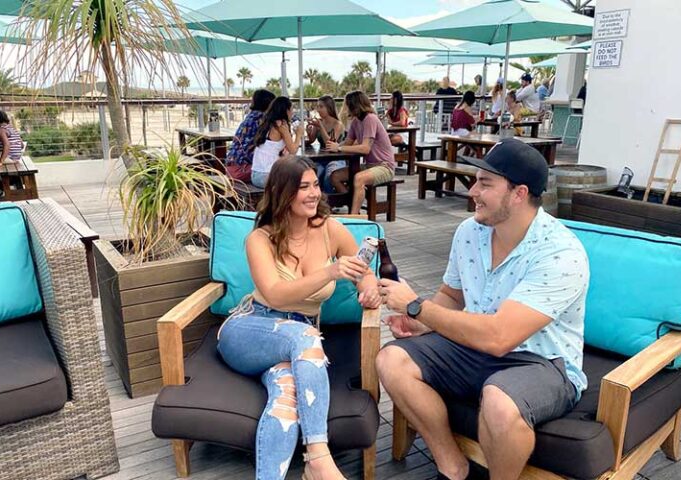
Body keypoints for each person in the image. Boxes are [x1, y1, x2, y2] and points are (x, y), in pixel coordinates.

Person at [375, 139, 589, 480]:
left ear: (519, 194)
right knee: (391, 360)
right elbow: (452, 295)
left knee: (500, 401)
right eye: (475, 180)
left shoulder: (560, 254)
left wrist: (418, 308)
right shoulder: (470, 232)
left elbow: (500, 337)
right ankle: (452, 466)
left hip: (543, 362)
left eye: (485, 184)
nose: (473, 191)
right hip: (472, 350)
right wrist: (417, 324)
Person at [217, 155, 381, 480]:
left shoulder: (330, 230)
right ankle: (319, 458)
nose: (313, 193)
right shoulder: (259, 239)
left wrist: (369, 287)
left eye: (315, 185)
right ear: (282, 192)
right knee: (305, 337)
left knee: (287, 395)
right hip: (251, 329)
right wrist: (329, 272)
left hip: (298, 341)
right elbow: (276, 294)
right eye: (302, 187)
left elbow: (362, 271)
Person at [326, 91, 396, 215]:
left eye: (347, 104)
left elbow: (365, 148)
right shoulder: (356, 122)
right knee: (335, 176)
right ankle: (354, 206)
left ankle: (353, 217)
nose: (345, 107)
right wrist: (333, 146)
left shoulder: (370, 119)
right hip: (370, 165)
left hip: (384, 166)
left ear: (354, 105)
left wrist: (339, 148)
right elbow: (348, 142)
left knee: (359, 178)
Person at [252, 96, 305, 188]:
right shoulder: (281, 125)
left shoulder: (267, 123)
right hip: (267, 175)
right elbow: (293, 151)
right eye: (291, 109)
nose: (292, 112)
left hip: (255, 175)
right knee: (300, 180)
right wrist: (299, 135)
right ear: (286, 110)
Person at [226, 89, 276, 183]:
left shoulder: (250, 117)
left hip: (231, 168)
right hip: (243, 170)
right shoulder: (263, 120)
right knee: (284, 173)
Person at [306, 95, 346, 193]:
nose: (318, 109)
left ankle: (330, 201)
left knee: (328, 175)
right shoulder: (320, 122)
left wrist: (320, 127)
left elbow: (330, 143)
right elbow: (312, 140)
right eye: (318, 107)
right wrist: (308, 132)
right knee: (315, 174)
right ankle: (321, 200)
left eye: (321, 107)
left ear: (329, 107)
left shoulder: (338, 124)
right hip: (322, 158)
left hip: (337, 158)